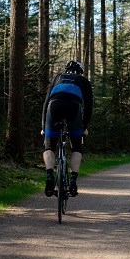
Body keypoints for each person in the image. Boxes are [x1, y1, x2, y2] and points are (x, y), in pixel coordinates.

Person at [41, 60, 93, 198]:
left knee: (49, 146)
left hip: (54, 105)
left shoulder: (57, 78)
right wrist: (84, 127)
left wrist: (43, 127)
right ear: (80, 72)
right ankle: (74, 181)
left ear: (66, 70)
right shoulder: (83, 80)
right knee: (77, 147)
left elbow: (46, 102)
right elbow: (88, 106)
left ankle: (50, 175)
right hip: (73, 107)